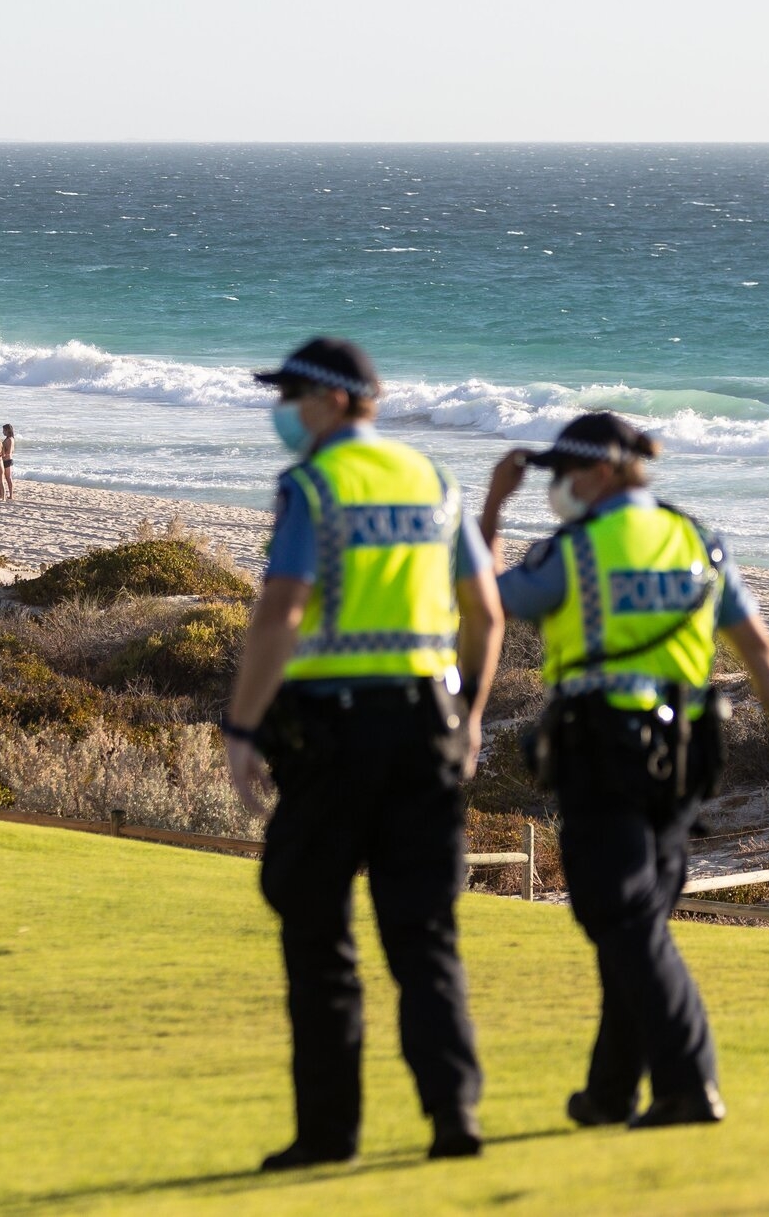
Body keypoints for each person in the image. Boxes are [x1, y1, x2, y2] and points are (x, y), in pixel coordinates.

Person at [479, 411, 769, 1131]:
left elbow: (484, 602)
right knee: (635, 915)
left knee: (621, 913)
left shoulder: (576, 549)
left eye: (565, 473)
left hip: (601, 749)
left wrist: (490, 509)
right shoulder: (696, 542)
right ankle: (610, 1092)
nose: (559, 487)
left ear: (602, 470)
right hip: (685, 758)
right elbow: (761, 649)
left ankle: (689, 1080)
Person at [222, 337, 504, 1170]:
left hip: (336, 733)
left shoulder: (312, 485)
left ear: (340, 399)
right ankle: (454, 1111)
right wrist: (474, 715)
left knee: (315, 925)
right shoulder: (435, 480)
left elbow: (281, 611)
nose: (287, 411)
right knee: (423, 933)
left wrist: (242, 727)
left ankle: (328, 1132)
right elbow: (485, 612)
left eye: (298, 396)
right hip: (427, 727)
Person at [0, 424, 17, 499]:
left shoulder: (9, 439)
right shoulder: (9, 438)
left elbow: (9, 452)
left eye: (4, 430)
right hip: (6, 460)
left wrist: (2, 455)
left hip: (7, 460)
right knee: (4, 478)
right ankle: (3, 493)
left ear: (7, 430)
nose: (3, 432)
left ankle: (11, 495)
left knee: (8, 478)